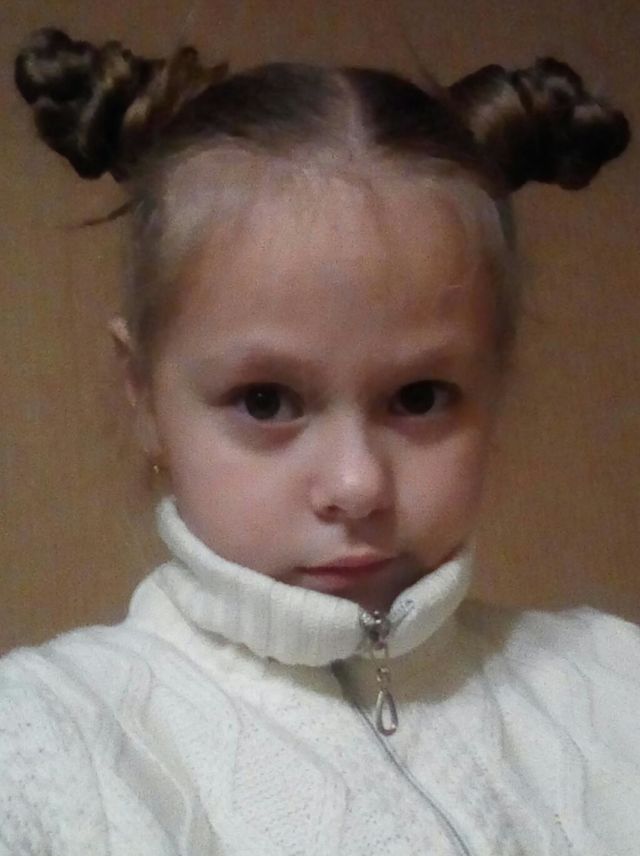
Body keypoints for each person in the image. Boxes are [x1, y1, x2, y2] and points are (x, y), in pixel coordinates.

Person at [2, 26, 638, 856]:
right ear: (143, 392)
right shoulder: (45, 741)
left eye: (419, 397)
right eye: (266, 401)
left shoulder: (613, 684)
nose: (356, 485)